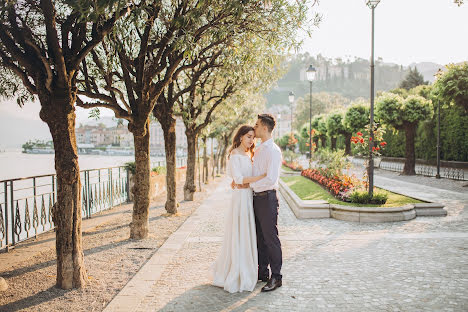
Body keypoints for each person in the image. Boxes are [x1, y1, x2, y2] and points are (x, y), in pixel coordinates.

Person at [211, 125, 267, 293]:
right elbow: (239, 179)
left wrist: (249, 183)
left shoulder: (249, 154)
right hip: (241, 199)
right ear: (241, 136)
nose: (251, 140)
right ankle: (238, 270)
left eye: (253, 138)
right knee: (240, 232)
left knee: (248, 232)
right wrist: (261, 177)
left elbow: (242, 180)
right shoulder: (235, 155)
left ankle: (249, 268)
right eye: (249, 136)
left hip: (248, 196)